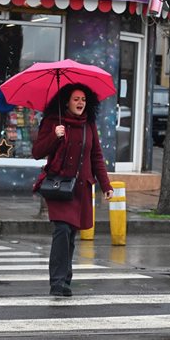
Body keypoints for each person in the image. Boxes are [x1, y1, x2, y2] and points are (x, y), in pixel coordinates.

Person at [32, 83, 114, 297]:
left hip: (80, 188)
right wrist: (54, 136)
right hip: (59, 186)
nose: (80, 103)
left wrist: (106, 185)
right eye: (76, 99)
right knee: (62, 230)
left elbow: (96, 155)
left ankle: (66, 279)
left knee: (70, 235)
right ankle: (57, 282)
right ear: (67, 101)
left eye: (84, 100)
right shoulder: (53, 122)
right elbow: (37, 152)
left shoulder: (89, 124)